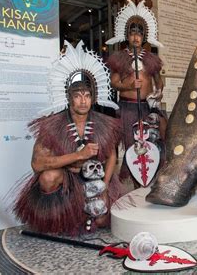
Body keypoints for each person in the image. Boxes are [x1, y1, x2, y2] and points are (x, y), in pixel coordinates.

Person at [14, 41, 121, 234]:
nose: (82, 100)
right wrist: (77, 156)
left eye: (87, 95)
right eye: (77, 96)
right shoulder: (52, 124)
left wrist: (103, 184)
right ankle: (61, 216)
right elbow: (37, 165)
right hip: (67, 179)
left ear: (93, 97)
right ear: (69, 98)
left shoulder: (104, 122)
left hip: (94, 178)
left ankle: (83, 212)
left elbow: (112, 156)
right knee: (48, 178)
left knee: (102, 220)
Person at [106, 0, 165, 185]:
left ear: (145, 36)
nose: (136, 37)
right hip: (128, 109)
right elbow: (114, 82)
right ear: (127, 35)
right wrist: (130, 86)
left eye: (139, 34)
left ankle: (149, 180)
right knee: (133, 146)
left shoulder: (152, 59)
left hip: (147, 108)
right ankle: (135, 182)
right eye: (132, 33)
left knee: (152, 144)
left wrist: (159, 93)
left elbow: (158, 82)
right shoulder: (120, 58)